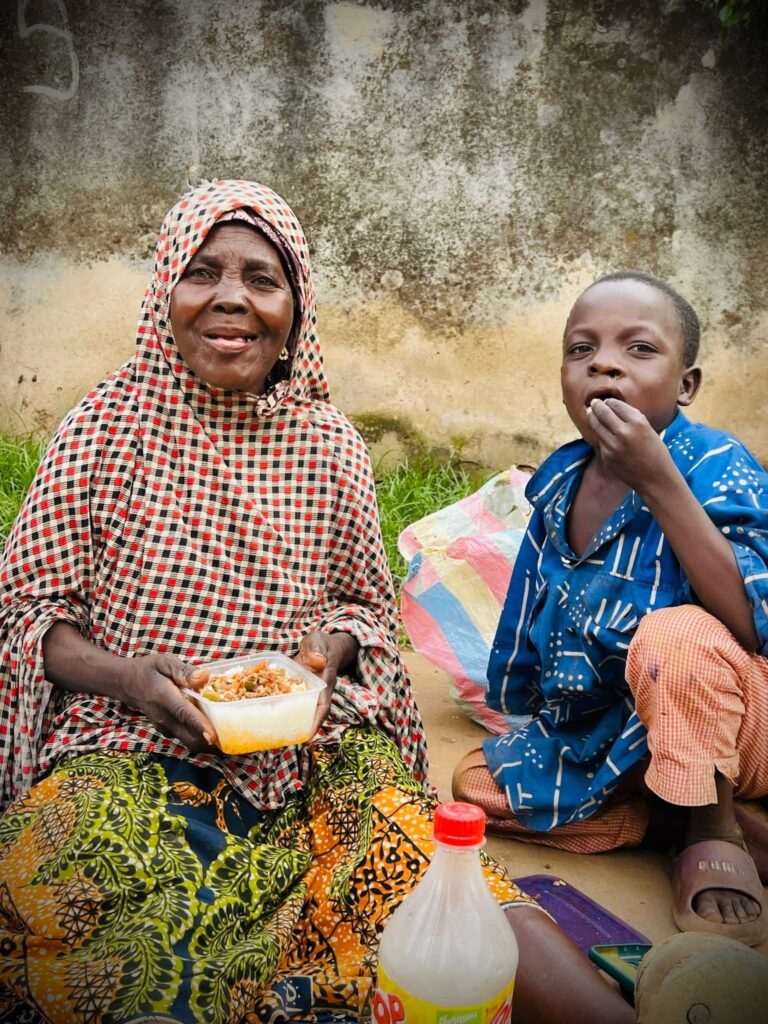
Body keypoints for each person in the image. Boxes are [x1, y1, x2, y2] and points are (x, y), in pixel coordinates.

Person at [0, 181, 635, 1024]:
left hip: (312, 748)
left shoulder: (329, 444)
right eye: (203, 273)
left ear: (295, 309)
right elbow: (30, 615)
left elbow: (361, 606)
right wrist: (129, 679)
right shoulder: (102, 430)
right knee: (67, 884)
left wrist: (325, 657)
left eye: (262, 279)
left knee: (433, 879)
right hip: (130, 739)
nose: (232, 298)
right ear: (164, 294)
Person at [453, 271, 768, 947]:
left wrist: (657, 479)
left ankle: (714, 827)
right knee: (476, 783)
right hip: (622, 732)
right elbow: (530, 614)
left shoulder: (716, 461)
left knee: (674, 636)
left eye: (639, 348)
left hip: (740, 719)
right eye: (581, 349)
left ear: (686, 384)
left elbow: (751, 621)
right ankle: (669, 817)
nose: (604, 364)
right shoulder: (560, 483)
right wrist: (526, 717)